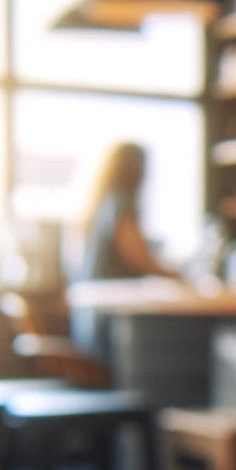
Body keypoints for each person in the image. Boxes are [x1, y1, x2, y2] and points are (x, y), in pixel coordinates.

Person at [67, 142, 177, 360]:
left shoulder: (99, 204)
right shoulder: (120, 202)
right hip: (110, 328)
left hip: (86, 326)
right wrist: (177, 277)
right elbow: (139, 258)